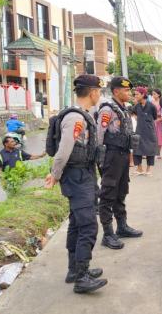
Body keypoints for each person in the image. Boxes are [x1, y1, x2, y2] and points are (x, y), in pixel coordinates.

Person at [44, 74, 107, 294]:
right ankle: (82, 277)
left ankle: (74, 269)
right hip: (77, 177)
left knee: (77, 223)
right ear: (92, 92)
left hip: (82, 175)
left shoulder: (82, 115)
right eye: (99, 90)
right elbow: (64, 149)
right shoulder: (76, 118)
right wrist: (55, 174)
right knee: (88, 225)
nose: (99, 94)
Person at [96, 76, 143, 250]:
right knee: (108, 193)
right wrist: (100, 158)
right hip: (111, 155)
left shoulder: (123, 108)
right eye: (126, 90)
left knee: (121, 191)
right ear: (116, 91)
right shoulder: (107, 109)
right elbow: (99, 134)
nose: (129, 93)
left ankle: (122, 226)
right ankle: (108, 234)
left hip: (122, 155)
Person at [133, 86, 158, 176]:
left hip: (149, 131)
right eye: (134, 94)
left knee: (150, 150)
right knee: (137, 150)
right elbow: (134, 113)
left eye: (137, 94)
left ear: (143, 94)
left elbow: (155, 116)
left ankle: (148, 169)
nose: (135, 96)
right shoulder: (136, 106)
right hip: (139, 131)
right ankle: (140, 169)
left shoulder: (151, 106)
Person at [151, 89, 162, 158]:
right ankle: (154, 152)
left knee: (159, 137)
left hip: (160, 122)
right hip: (153, 121)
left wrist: (159, 115)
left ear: (158, 94)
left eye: (154, 94)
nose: (153, 95)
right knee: (153, 137)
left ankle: (158, 153)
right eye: (152, 94)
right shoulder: (151, 102)